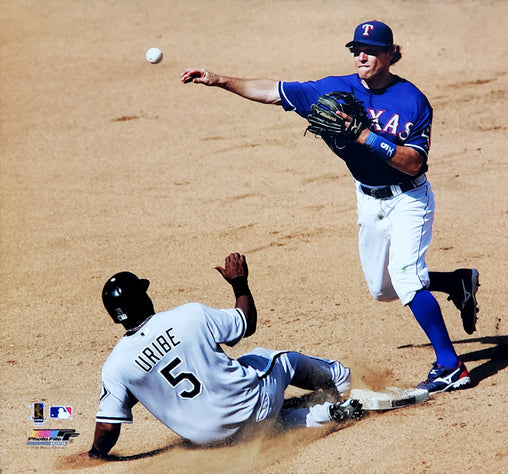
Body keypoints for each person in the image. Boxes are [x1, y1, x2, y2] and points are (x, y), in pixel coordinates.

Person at [180, 20, 480, 393]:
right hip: (368, 199)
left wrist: (363, 135)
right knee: (383, 289)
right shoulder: (333, 88)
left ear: (390, 54)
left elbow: (414, 163)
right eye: (356, 49)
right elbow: (272, 91)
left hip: (408, 199)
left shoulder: (413, 101)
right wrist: (218, 79)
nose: (361, 56)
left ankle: (451, 366)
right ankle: (456, 282)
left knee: (405, 277)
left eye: (370, 50)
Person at [87, 252, 363, 459]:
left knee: (253, 423)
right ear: (144, 299)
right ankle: (344, 381)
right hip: (253, 406)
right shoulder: (189, 315)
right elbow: (246, 322)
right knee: (273, 359)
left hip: (212, 440)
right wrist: (239, 283)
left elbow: (108, 429)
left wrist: (96, 454)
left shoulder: (117, 366)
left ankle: (325, 414)